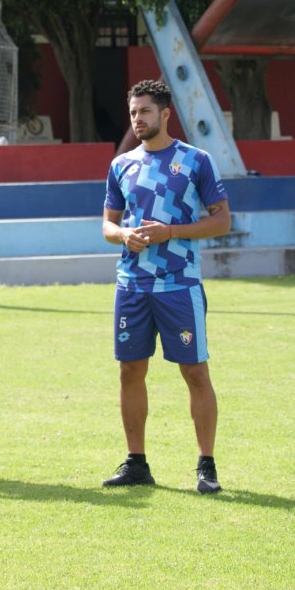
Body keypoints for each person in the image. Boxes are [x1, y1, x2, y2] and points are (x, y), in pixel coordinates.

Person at [100, 79, 231, 495]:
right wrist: (124, 236)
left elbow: (222, 221)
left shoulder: (196, 161)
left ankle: (206, 466)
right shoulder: (122, 165)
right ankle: (136, 462)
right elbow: (106, 224)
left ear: (165, 114)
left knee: (194, 371)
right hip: (132, 285)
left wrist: (170, 232)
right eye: (133, 112)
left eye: (145, 112)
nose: (138, 119)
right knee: (130, 371)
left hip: (179, 284)